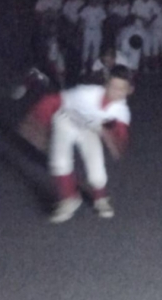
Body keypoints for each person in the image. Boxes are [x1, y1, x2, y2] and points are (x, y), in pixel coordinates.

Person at [19, 65, 133, 223]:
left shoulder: (121, 111)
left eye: (121, 89)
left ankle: (100, 198)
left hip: (89, 128)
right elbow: (52, 101)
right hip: (66, 120)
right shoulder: (86, 93)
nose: (116, 92)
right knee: (59, 162)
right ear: (106, 84)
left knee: (97, 170)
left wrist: (115, 141)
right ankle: (69, 198)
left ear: (129, 90)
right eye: (113, 86)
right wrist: (38, 124)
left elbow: (120, 134)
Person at [131, 0, 161, 71]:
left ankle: (146, 67)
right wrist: (142, 19)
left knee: (147, 49)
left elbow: (156, 14)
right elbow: (133, 13)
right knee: (137, 48)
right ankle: (135, 66)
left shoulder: (153, 2)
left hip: (149, 29)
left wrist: (149, 22)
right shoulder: (136, 2)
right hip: (138, 28)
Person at [79, 0, 107, 74]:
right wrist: (81, 29)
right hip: (88, 30)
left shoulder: (100, 9)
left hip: (97, 31)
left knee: (96, 50)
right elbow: (82, 19)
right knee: (86, 48)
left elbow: (103, 21)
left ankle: (94, 68)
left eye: (95, 0)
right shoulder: (86, 9)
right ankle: (83, 67)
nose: (94, 1)